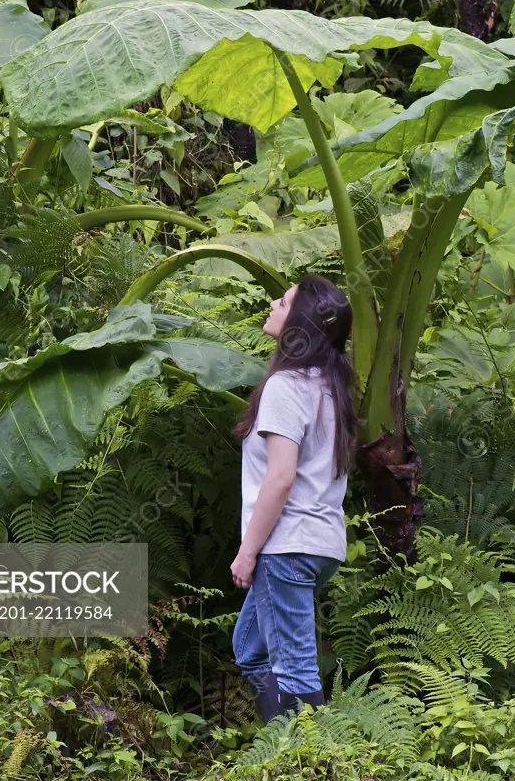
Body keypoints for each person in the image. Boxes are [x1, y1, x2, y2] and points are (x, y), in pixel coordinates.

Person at [231, 274, 357, 723]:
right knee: (249, 648)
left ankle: (312, 762)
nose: (272, 303)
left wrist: (248, 553)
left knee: (295, 667)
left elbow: (281, 478)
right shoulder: (330, 388)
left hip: (286, 545)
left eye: (282, 303)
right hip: (320, 546)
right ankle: (282, 744)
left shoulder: (286, 388)